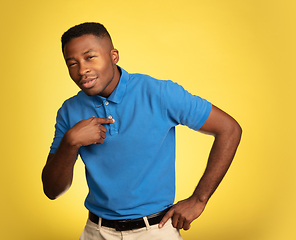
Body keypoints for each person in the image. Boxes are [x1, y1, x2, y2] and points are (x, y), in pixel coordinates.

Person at [42, 22, 242, 240]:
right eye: (72, 63)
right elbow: (52, 190)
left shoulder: (159, 93)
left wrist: (199, 199)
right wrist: (71, 142)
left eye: (90, 57)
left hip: (156, 231)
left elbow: (229, 129)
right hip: (96, 231)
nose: (82, 70)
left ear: (113, 56)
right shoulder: (69, 111)